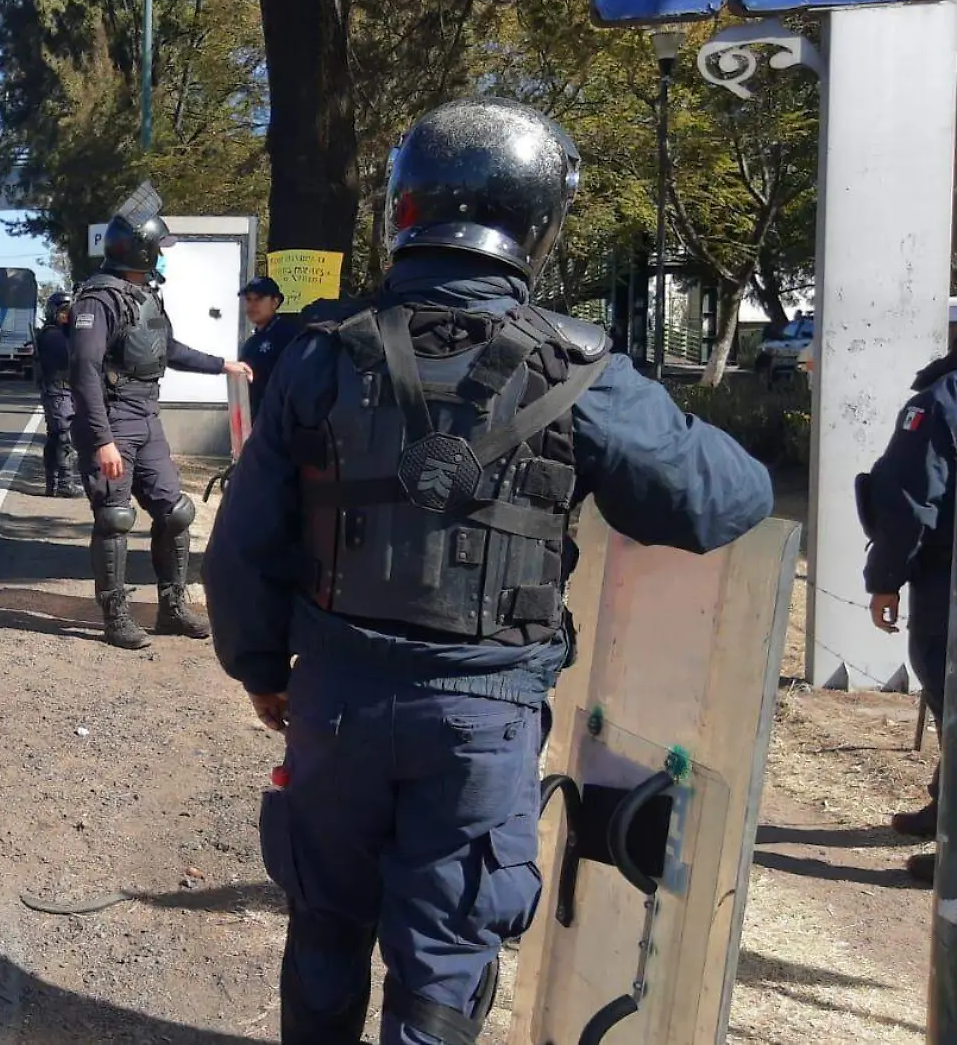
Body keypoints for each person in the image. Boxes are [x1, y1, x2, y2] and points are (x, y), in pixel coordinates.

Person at [204, 97, 775, 1044]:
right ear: (538, 221)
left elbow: (243, 544)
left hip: (335, 702)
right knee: (445, 957)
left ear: (406, 209)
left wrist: (265, 675)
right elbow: (729, 497)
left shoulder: (319, 356)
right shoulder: (580, 369)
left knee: (325, 926)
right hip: (483, 722)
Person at [72, 183, 254, 650]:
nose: (162, 255)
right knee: (114, 518)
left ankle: (172, 608)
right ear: (141, 250)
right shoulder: (99, 299)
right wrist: (101, 441)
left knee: (176, 513)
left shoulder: (146, 297)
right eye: (159, 248)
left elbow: (167, 350)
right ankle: (115, 615)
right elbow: (85, 370)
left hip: (146, 417)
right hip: (112, 421)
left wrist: (222, 365)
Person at [860, 343, 957, 886]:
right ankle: (945, 811)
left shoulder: (939, 403)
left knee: (953, 701)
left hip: (948, 583)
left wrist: (884, 580)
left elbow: (907, 501)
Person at [35, 290, 84, 498]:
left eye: (69, 311)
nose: (67, 315)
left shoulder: (59, 333)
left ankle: (52, 484)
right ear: (53, 312)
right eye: (63, 312)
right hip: (58, 391)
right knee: (64, 437)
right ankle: (64, 483)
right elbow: (72, 355)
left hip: (62, 390)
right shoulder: (52, 335)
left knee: (56, 437)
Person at [239, 276, 303, 421]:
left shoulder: (288, 334)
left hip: (281, 421)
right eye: (248, 299)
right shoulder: (252, 342)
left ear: (275, 302)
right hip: (255, 418)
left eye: (259, 299)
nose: (252, 305)